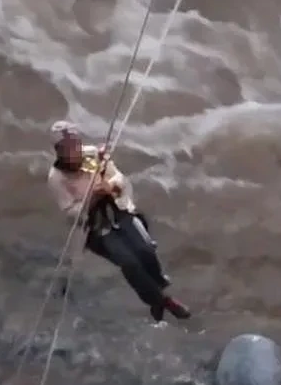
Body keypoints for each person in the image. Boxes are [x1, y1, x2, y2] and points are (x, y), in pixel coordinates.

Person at [47, 120, 191, 323]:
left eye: (76, 144)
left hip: (117, 210)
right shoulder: (57, 177)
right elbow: (70, 211)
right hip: (95, 225)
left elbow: (120, 179)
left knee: (145, 249)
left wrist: (110, 185)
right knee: (129, 262)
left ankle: (158, 286)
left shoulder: (92, 155)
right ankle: (162, 301)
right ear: (59, 151)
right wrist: (91, 197)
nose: (75, 151)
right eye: (68, 148)